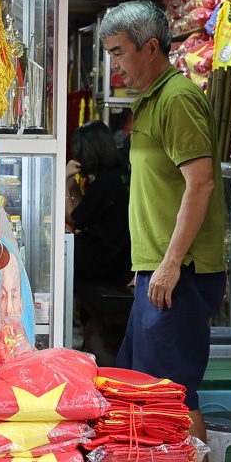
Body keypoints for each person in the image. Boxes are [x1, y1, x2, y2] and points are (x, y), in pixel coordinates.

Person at [98, 0, 225, 462]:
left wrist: (171, 264)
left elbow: (201, 184)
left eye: (120, 53)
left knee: (175, 390)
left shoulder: (176, 100)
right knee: (148, 384)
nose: (115, 66)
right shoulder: (151, 100)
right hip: (157, 268)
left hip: (183, 270)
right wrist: (148, 265)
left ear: (151, 47)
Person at [67, 121, 131, 364]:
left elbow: (74, 219)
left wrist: (65, 180)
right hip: (119, 259)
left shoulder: (107, 181)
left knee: (64, 251)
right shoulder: (118, 176)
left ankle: (70, 322)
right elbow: (85, 213)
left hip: (104, 262)